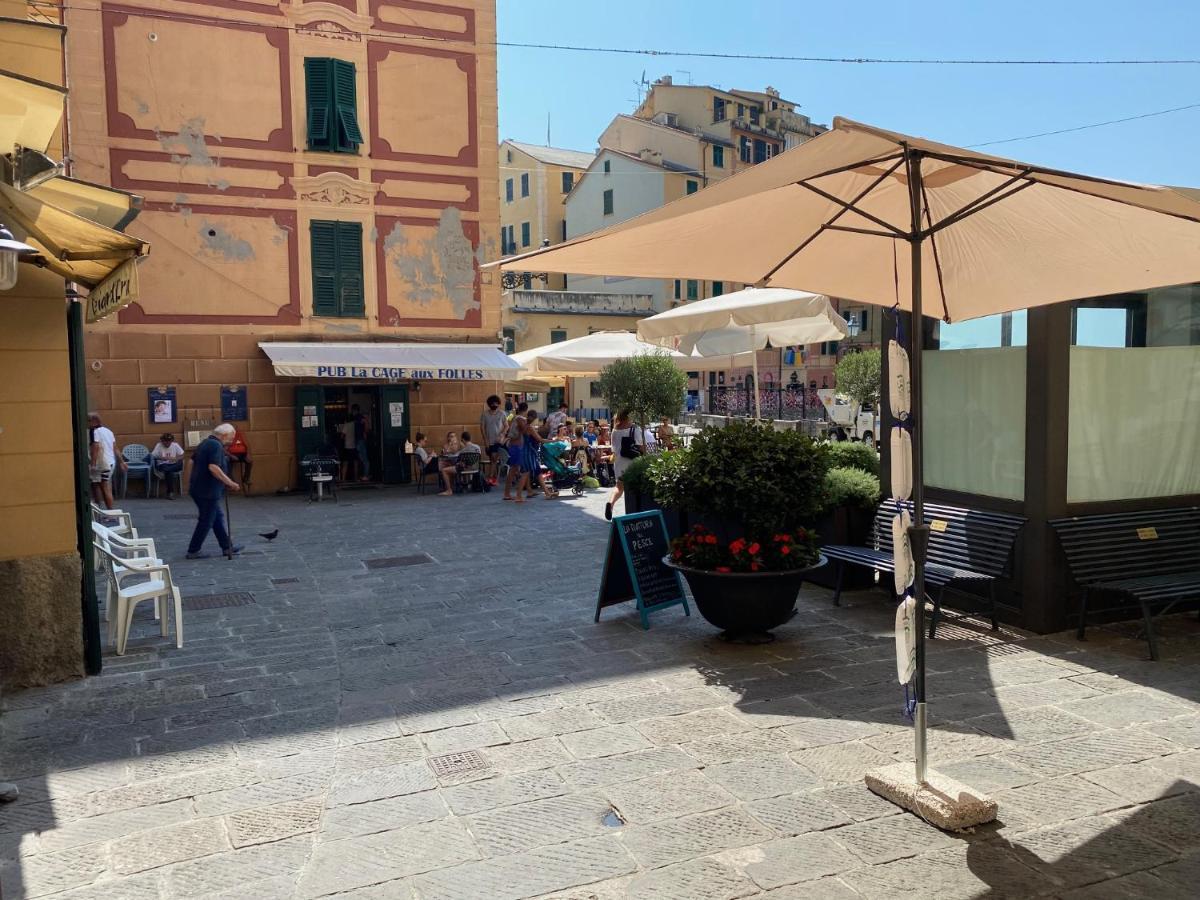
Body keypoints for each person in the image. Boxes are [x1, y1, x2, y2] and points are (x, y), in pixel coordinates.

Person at [186, 423, 243, 560]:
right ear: (224, 435)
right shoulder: (216, 445)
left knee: (216, 518)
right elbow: (213, 467)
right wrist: (230, 482)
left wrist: (189, 483)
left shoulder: (205, 442)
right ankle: (193, 550)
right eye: (231, 437)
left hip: (200, 489)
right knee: (206, 520)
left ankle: (226, 547)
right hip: (207, 491)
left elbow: (190, 462)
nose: (232, 440)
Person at [605, 410, 643, 521]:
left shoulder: (614, 430)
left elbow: (613, 449)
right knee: (633, 487)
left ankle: (610, 503)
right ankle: (633, 512)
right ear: (628, 417)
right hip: (632, 461)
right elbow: (640, 446)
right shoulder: (635, 428)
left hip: (619, 462)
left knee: (619, 487)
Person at [87, 413, 124, 510]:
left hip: (103, 463)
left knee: (104, 487)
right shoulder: (108, 431)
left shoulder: (95, 432)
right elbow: (115, 448)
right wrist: (121, 462)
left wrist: (93, 464)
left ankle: (110, 512)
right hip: (109, 462)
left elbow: (96, 447)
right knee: (96, 484)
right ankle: (99, 509)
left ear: (94, 422)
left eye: (88, 421)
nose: (86, 423)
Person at [502, 402, 531, 503]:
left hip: (515, 446)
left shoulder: (515, 418)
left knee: (514, 470)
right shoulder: (520, 419)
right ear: (526, 410)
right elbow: (525, 431)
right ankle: (515, 495)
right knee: (519, 470)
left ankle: (508, 493)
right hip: (516, 446)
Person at [479, 395, 507, 486]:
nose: (494, 405)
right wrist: (485, 440)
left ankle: (490, 478)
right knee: (492, 460)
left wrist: (502, 434)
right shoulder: (485, 414)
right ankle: (494, 479)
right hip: (489, 440)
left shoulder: (502, 413)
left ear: (498, 404)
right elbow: (482, 428)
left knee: (494, 459)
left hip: (498, 441)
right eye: (492, 403)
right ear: (489, 404)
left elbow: (506, 426)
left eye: (496, 403)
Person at [151, 432, 185, 499]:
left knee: (178, 464)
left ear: (172, 441)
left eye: (169, 441)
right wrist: (163, 458)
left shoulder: (175, 445)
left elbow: (182, 455)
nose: (167, 443)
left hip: (174, 464)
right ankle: (170, 493)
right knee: (169, 471)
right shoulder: (159, 445)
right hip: (163, 464)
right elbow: (153, 455)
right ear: (162, 441)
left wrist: (175, 458)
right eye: (165, 441)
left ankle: (170, 492)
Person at [227, 427, 252, 493]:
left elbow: (247, 445)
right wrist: (231, 455)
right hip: (230, 454)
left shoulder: (240, 434)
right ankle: (231, 482)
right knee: (226, 462)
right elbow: (223, 449)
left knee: (249, 461)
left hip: (242, 454)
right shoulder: (226, 435)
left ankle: (246, 478)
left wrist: (247, 454)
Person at [437, 430, 461, 497]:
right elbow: (445, 452)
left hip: (458, 463)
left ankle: (450, 489)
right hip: (449, 462)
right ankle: (449, 487)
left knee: (448, 467)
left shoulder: (459, 444)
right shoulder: (445, 445)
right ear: (448, 438)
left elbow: (454, 451)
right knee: (444, 466)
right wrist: (450, 445)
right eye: (451, 436)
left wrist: (452, 445)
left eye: (454, 436)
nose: (453, 438)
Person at [351, 404, 371, 482]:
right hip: (359, 440)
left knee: (363, 459)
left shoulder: (359, 417)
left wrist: (365, 432)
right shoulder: (357, 418)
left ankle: (365, 475)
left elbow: (366, 423)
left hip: (360, 440)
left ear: (354, 410)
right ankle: (364, 475)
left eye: (352, 410)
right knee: (361, 458)